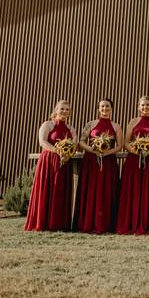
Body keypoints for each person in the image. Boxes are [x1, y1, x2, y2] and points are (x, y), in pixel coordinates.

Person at [25, 99, 78, 231]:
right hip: (49, 161)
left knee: (60, 190)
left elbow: (75, 144)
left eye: (67, 109)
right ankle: (42, 222)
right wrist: (58, 151)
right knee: (47, 189)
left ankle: (58, 223)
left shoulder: (71, 128)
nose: (64, 111)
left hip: (65, 162)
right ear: (56, 110)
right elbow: (42, 142)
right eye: (62, 109)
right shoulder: (47, 125)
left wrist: (68, 154)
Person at [73, 98, 123, 233]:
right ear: (98, 109)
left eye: (107, 106)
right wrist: (92, 150)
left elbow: (119, 146)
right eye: (102, 106)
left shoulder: (116, 126)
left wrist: (107, 153)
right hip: (91, 161)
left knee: (106, 191)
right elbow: (81, 141)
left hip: (108, 163)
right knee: (90, 190)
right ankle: (87, 222)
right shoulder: (90, 124)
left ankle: (106, 224)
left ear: (111, 109)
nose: (105, 109)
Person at [115, 95, 149, 235]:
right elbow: (126, 142)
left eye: (148, 105)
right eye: (142, 105)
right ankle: (129, 222)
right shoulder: (133, 121)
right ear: (138, 107)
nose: (145, 107)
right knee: (133, 191)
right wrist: (136, 150)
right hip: (134, 162)